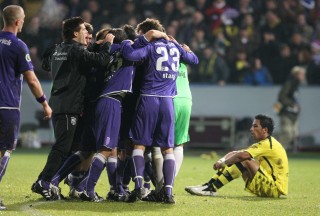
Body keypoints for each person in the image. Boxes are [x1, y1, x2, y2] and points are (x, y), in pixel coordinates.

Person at [31, 16, 114, 200]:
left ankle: (49, 182)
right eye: (84, 29)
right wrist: (107, 44)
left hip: (58, 103)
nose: (87, 32)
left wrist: (91, 45)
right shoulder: (76, 51)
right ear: (76, 33)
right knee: (62, 148)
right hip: (69, 106)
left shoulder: (59, 48)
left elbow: (45, 62)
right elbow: (101, 61)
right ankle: (43, 181)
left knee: (66, 147)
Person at [120, 18, 199, 204]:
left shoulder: (150, 47)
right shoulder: (174, 47)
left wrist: (135, 42)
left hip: (148, 98)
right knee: (168, 148)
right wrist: (181, 46)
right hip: (168, 102)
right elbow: (193, 59)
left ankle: (139, 186)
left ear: (149, 33)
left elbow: (130, 55)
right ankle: (168, 192)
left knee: (139, 145)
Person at [0, 5, 52, 210]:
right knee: (5, 150)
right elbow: (31, 80)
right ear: (18, 22)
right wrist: (45, 104)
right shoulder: (18, 45)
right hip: (7, 106)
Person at [185, 114, 289, 198]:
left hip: (274, 189)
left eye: (255, 126)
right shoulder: (263, 143)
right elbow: (236, 153)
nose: (251, 129)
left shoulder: (268, 144)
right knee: (238, 157)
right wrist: (222, 161)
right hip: (266, 186)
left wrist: (225, 163)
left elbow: (241, 156)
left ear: (265, 130)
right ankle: (207, 186)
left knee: (244, 160)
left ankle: (211, 189)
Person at [274, 66, 305, 151]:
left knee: (294, 134)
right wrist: (293, 104)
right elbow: (281, 96)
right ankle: (277, 151)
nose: (304, 76)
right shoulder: (290, 83)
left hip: (292, 114)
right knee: (287, 134)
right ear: (296, 74)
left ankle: (278, 148)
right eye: (302, 74)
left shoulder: (295, 85)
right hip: (286, 113)